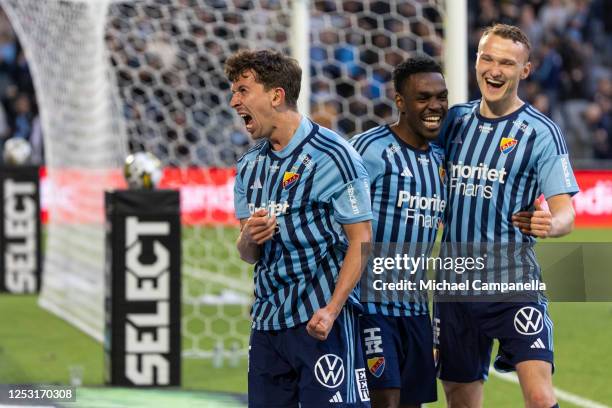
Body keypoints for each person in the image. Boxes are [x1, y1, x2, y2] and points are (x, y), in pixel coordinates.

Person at [435, 24, 579, 408]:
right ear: (477, 60)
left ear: (525, 71)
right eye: (487, 58)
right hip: (454, 287)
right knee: (461, 398)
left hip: (513, 284)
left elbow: (566, 212)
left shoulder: (541, 133)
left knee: (538, 396)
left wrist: (552, 224)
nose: (494, 70)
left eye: (506, 63)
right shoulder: (453, 122)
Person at [228, 49, 373, 407]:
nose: (234, 101)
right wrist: (248, 238)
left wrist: (333, 308)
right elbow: (249, 255)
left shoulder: (334, 156)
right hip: (267, 327)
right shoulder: (248, 166)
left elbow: (362, 241)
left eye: (243, 90)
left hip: (321, 323)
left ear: (276, 95)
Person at [350, 56, 448, 408]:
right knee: (385, 401)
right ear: (401, 102)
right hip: (371, 306)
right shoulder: (368, 150)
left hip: (416, 310)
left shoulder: (441, 160)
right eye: (423, 98)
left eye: (441, 97)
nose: (434, 106)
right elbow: (334, 218)